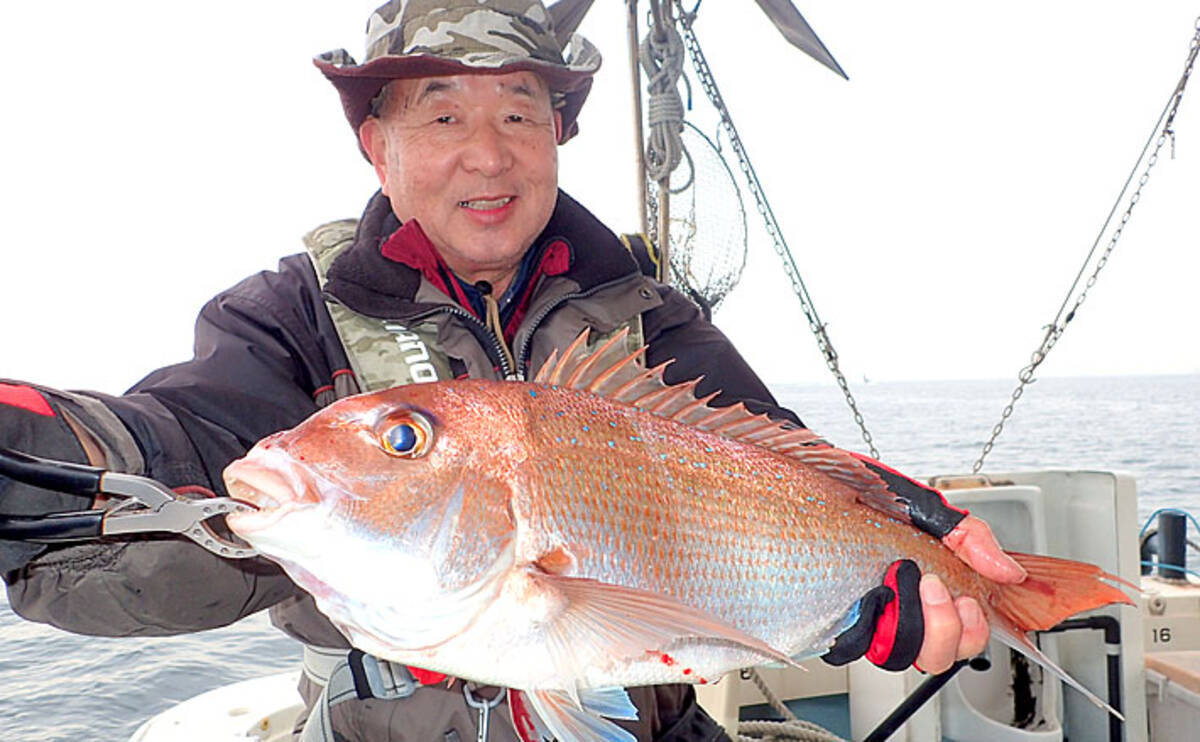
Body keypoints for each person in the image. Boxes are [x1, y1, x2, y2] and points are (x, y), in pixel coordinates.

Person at [0, 1, 1024, 740]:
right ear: (377, 146)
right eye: (442, 115)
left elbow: (780, 474)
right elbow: (178, 442)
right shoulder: (285, 320)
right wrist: (48, 453)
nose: (489, 156)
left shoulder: (656, 319)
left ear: (559, 137)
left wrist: (897, 554)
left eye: (521, 114)